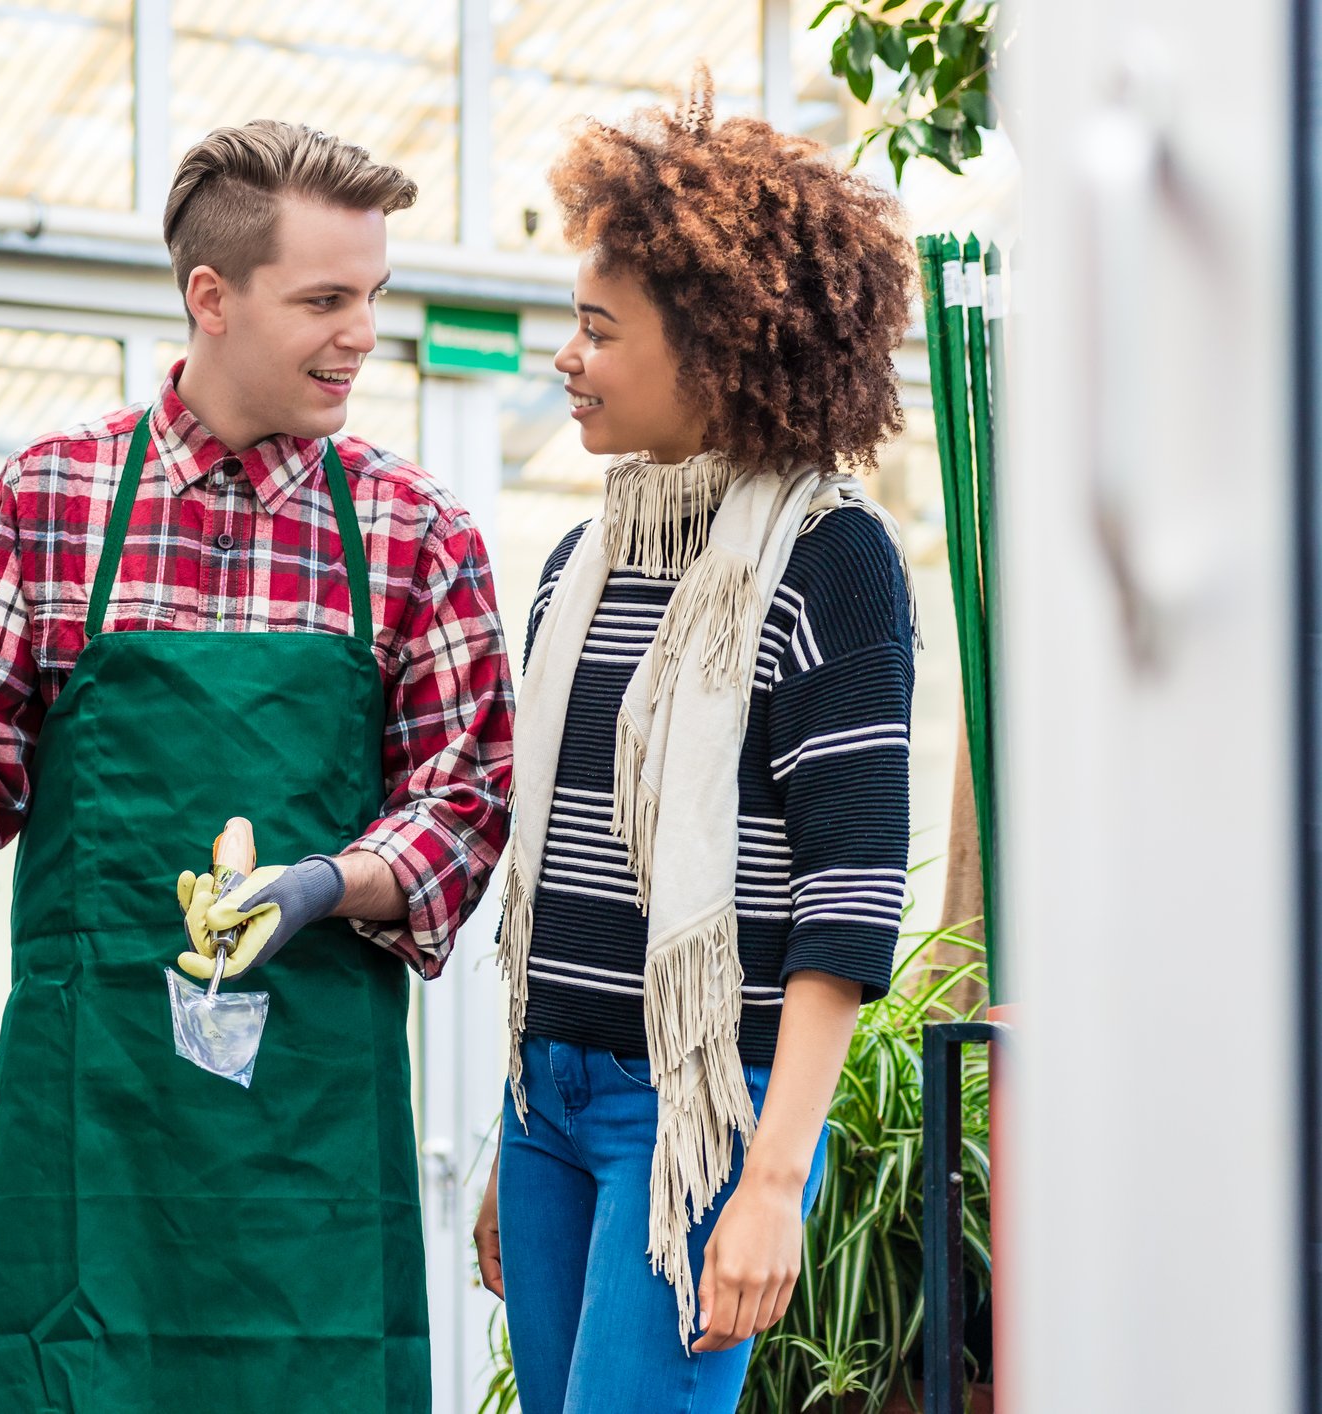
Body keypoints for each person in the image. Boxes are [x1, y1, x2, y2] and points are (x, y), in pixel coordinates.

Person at [0, 120, 513, 1412]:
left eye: (373, 295)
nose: (362, 335)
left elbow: (464, 796)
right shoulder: (49, 501)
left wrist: (324, 884)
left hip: (312, 1159)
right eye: (324, 299)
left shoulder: (412, 532)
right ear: (211, 298)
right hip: (93, 1137)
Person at [470, 76, 918, 1414]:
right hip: (548, 1103)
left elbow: (849, 898)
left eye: (599, 330)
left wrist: (774, 1180)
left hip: (701, 1120)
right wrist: (518, 1132)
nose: (568, 357)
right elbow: (547, 884)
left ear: (716, 349)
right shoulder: (579, 565)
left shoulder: (830, 561)